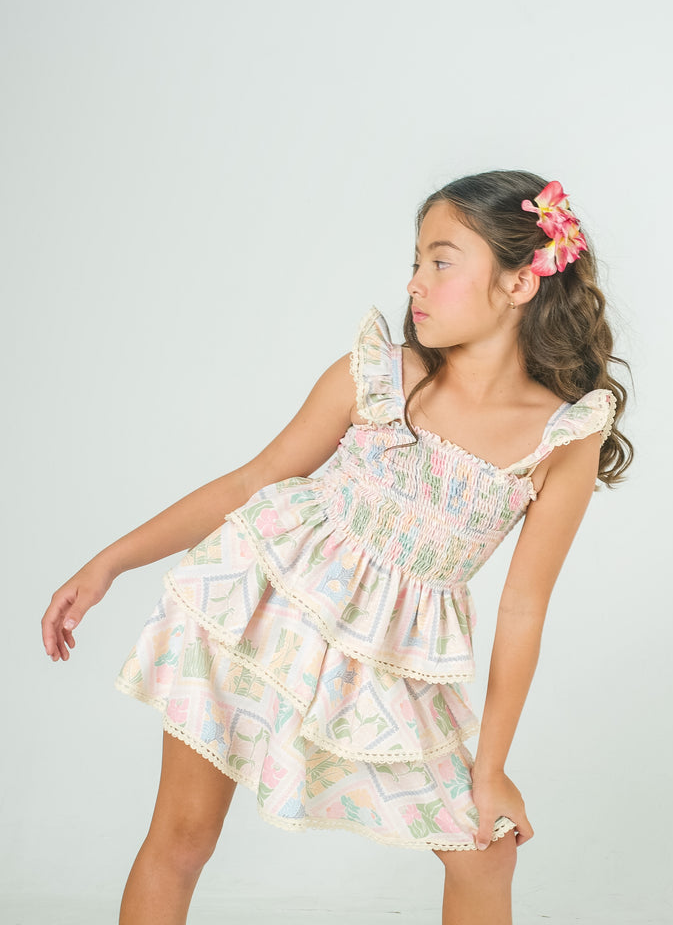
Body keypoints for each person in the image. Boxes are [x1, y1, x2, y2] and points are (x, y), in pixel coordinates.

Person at [41, 169, 633, 925]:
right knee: (183, 837)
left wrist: (491, 769)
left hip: (388, 659)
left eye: (441, 262)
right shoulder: (378, 374)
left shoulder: (563, 436)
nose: (415, 283)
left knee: (485, 850)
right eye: (415, 261)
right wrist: (109, 564)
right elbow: (252, 481)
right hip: (254, 608)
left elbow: (523, 607)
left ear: (520, 283)